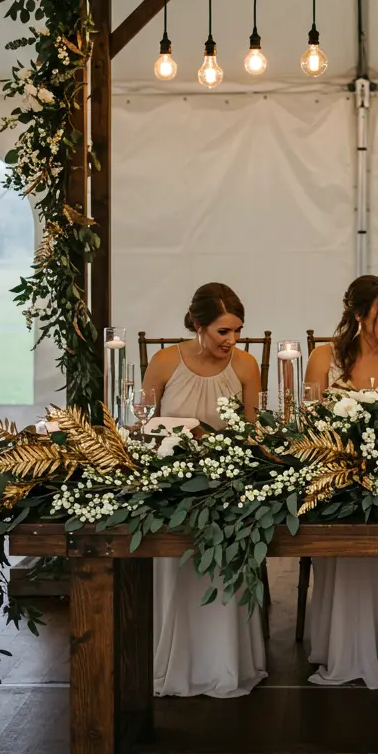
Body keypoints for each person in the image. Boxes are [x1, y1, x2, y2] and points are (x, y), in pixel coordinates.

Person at [144, 282, 267, 698]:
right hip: (173, 494)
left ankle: (226, 663)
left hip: (228, 494)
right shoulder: (163, 363)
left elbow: (254, 435)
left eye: (238, 331)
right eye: (223, 332)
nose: (232, 341)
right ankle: (175, 664)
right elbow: (142, 428)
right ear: (198, 325)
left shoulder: (247, 366)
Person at [303, 274, 378, 688]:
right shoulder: (324, 358)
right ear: (359, 315)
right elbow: (310, 428)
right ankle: (338, 646)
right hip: (336, 480)